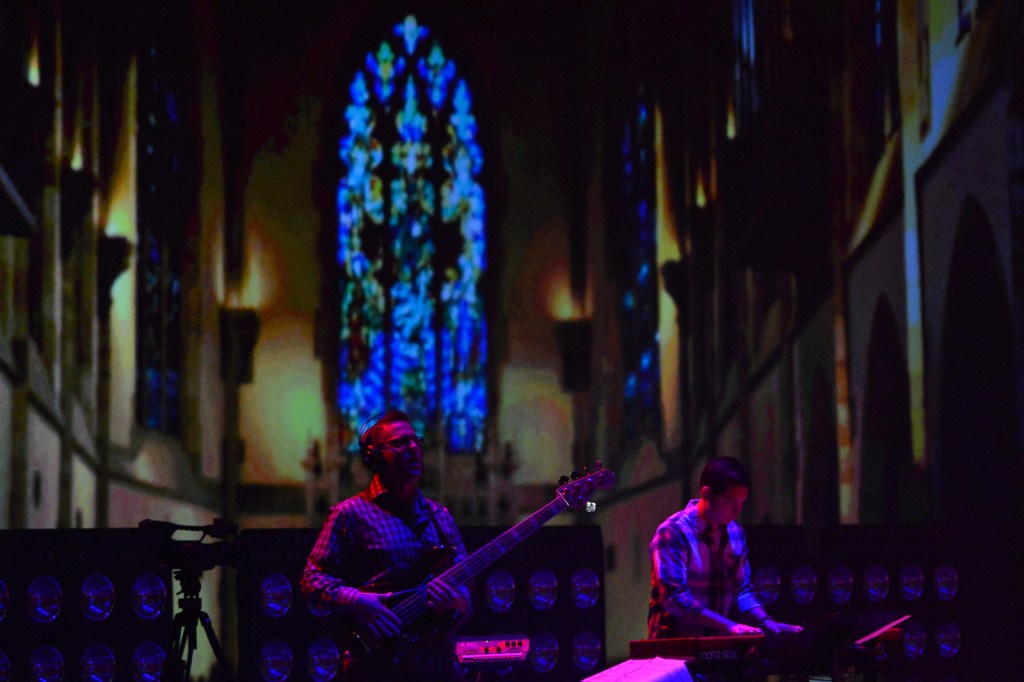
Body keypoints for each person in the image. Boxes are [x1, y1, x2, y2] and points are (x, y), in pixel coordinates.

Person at [301, 410, 471, 682]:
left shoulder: (440, 516)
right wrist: (357, 601)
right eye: (400, 442)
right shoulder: (349, 514)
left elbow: (465, 597)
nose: (413, 448)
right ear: (374, 456)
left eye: (415, 440)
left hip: (438, 669)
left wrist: (456, 602)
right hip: (377, 668)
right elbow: (312, 581)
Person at [648, 456, 802, 640]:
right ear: (706, 494)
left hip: (716, 645)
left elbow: (742, 591)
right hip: (672, 648)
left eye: (742, 503)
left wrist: (767, 623)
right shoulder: (673, 533)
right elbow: (675, 599)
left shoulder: (736, 533)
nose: (737, 511)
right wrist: (730, 626)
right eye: (730, 502)